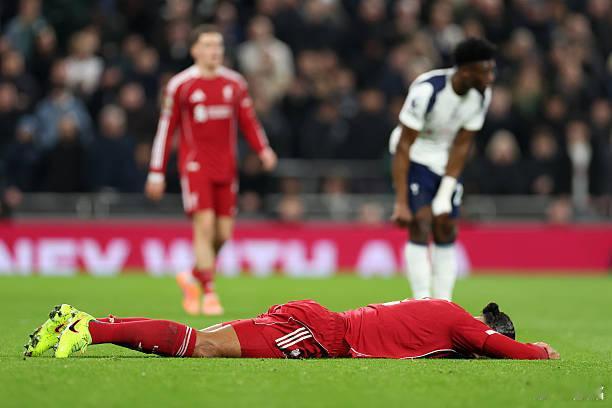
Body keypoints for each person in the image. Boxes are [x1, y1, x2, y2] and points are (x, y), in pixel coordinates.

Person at [145, 25, 278, 316]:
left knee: (223, 234)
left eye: (218, 45)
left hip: (227, 168)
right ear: (194, 50)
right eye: (207, 45)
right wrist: (156, 171)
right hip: (195, 167)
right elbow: (166, 130)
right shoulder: (181, 85)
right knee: (204, 227)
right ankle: (209, 293)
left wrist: (263, 149)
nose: (214, 51)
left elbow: (248, 121)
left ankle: (193, 276)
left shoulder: (235, 83)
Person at [23, 298, 559, 360]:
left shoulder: (441, 307)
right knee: (203, 347)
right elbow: (507, 350)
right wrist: (539, 350)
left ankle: (82, 321)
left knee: (200, 338)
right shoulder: (463, 325)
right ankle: (93, 333)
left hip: (315, 321)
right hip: (321, 334)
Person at [389, 38, 495, 301]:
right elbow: (404, 144)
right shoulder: (427, 90)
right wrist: (401, 202)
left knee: (446, 227)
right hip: (415, 154)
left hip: (444, 158)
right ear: (466, 72)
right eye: (485, 72)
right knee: (421, 222)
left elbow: (462, 145)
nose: (490, 78)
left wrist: (445, 193)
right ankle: (422, 300)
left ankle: (444, 302)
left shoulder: (481, 96)